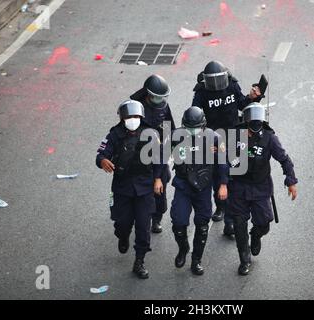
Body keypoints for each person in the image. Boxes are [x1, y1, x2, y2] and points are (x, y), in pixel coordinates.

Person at [192, 60, 263, 238]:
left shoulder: (232, 85)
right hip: (213, 139)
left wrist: (253, 97)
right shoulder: (201, 92)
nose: (216, 85)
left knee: (233, 177)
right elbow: (195, 117)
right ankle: (221, 207)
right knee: (217, 176)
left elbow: (242, 104)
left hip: (234, 134)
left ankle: (230, 220)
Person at [96, 100, 164, 279]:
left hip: (145, 187)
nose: (132, 119)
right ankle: (123, 236)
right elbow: (101, 154)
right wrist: (102, 160)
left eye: (136, 116)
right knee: (122, 222)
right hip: (122, 187)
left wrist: (158, 179)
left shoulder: (151, 134)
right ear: (122, 118)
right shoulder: (115, 135)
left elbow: (159, 159)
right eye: (129, 117)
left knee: (143, 226)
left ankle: (139, 261)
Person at [228, 102, 298, 275]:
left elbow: (284, 159)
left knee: (264, 223)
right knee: (238, 224)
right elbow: (224, 158)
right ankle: (244, 259)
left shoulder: (269, 138)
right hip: (238, 187)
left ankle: (256, 235)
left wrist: (291, 181)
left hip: (260, 187)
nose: (253, 131)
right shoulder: (234, 136)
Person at [167, 106, 228, 275]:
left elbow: (223, 162)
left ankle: (196, 260)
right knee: (178, 222)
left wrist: (223, 184)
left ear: (203, 125)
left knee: (202, 225)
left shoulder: (214, 138)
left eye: (196, 128)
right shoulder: (175, 137)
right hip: (183, 185)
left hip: (203, 187)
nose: (192, 131)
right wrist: (157, 177)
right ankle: (183, 248)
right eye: (189, 128)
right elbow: (159, 157)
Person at [130, 74, 176, 233]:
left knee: (159, 192)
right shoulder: (136, 108)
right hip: (139, 157)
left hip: (159, 156)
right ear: (148, 94)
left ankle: (156, 219)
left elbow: (171, 130)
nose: (161, 100)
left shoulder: (163, 106)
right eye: (157, 97)